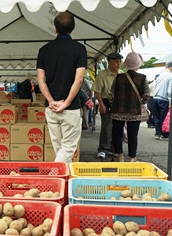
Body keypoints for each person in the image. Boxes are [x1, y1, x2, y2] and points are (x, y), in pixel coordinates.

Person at [37, 11, 87, 163]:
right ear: (73, 28)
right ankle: (54, 177)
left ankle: (62, 182)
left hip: (51, 108)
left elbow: (41, 80)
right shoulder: (79, 49)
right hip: (70, 108)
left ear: (55, 29)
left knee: (60, 148)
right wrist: (66, 103)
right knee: (67, 148)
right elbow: (78, 80)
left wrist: (51, 101)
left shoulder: (44, 50)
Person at [110, 52, 150, 162]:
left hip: (118, 110)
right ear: (137, 65)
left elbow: (111, 94)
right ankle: (132, 158)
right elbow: (147, 94)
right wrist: (141, 102)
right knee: (133, 135)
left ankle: (120, 156)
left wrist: (114, 104)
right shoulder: (142, 78)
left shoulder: (118, 77)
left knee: (117, 134)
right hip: (134, 111)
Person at [91, 52, 123, 159]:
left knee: (117, 127)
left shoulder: (122, 74)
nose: (118, 64)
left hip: (118, 104)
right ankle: (103, 148)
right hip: (106, 102)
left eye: (120, 62)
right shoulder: (102, 74)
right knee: (106, 127)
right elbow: (97, 91)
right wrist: (101, 104)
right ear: (109, 62)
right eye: (116, 62)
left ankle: (114, 148)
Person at [152, 61, 172, 140]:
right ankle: (164, 134)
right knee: (164, 118)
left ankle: (157, 133)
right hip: (164, 99)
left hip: (155, 98)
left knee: (157, 117)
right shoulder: (171, 76)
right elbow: (170, 90)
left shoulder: (160, 75)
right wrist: (171, 101)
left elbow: (155, 86)